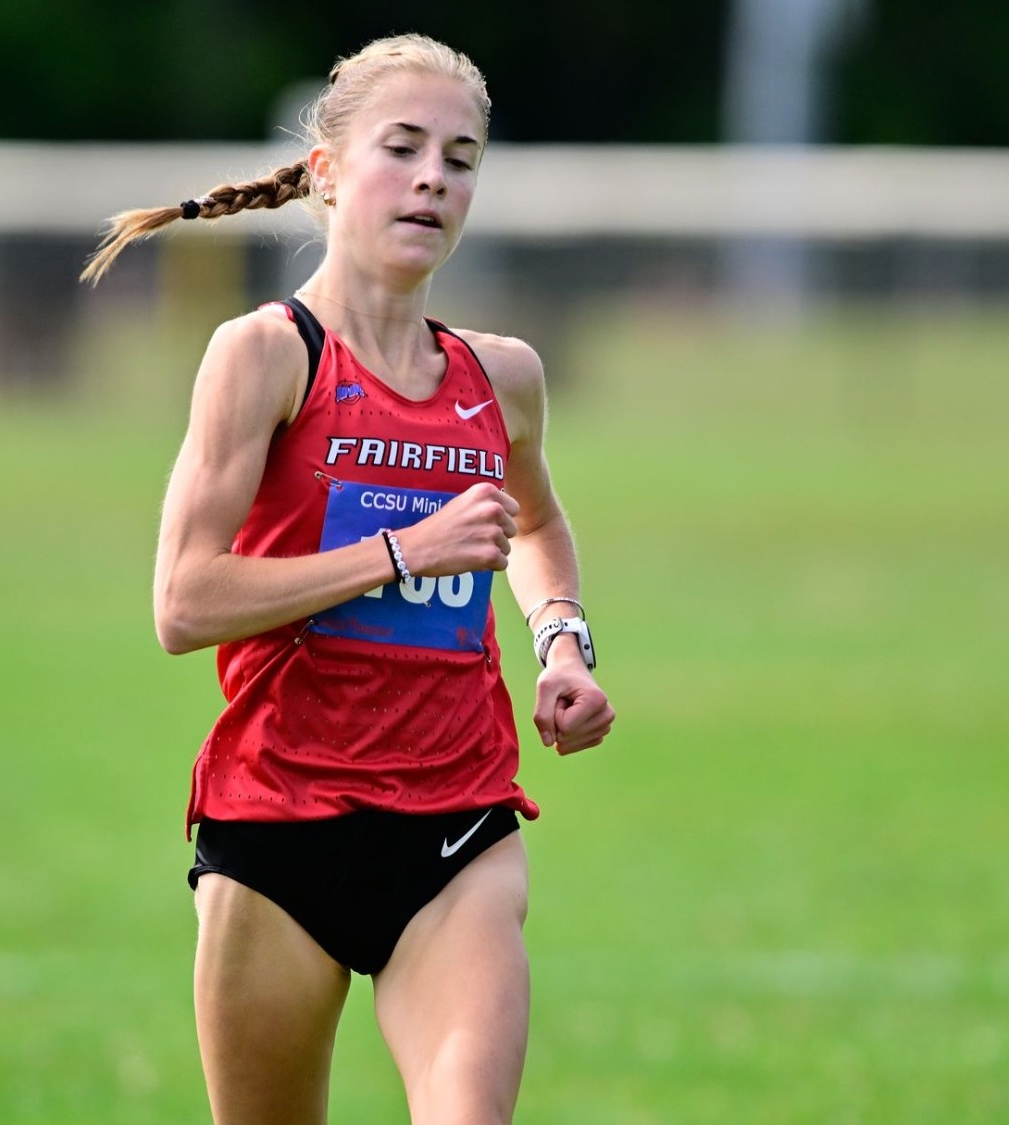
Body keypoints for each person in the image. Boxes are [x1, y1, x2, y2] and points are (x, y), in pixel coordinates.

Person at [82, 33, 615, 1125]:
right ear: (326, 173)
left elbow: (537, 526)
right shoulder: (266, 354)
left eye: (460, 158)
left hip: (455, 824)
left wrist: (561, 640)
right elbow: (183, 604)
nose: (433, 178)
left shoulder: (498, 377)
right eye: (403, 147)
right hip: (277, 831)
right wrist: (399, 553)